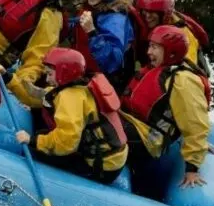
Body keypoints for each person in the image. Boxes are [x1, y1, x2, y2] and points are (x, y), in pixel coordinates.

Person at [14, 48, 128, 184]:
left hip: (102, 167)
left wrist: (33, 141)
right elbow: (38, 95)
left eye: (50, 74)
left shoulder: (70, 97)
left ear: (64, 73)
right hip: (112, 158)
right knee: (43, 134)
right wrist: (10, 79)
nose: (47, 79)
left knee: (39, 149)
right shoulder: (79, 87)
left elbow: (66, 143)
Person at [120, 25, 211, 188]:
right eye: (150, 46)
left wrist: (192, 168)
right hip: (133, 125)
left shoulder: (183, 81)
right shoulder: (157, 69)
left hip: (148, 141)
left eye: (155, 47)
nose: (149, 52)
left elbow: (196, 124)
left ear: (170, 51)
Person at [68, 0, 135, 91]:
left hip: (104, 88)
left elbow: (112, 61)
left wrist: (92, 32)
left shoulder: (116, 19)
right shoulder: (88, 9)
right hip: (82, 79)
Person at [135, 0, 210, 71]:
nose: (147, 16)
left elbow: (186, 71)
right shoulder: (153, 23)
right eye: (145, 11)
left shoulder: (184, 35)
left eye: (152, 12)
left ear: (164, 14)